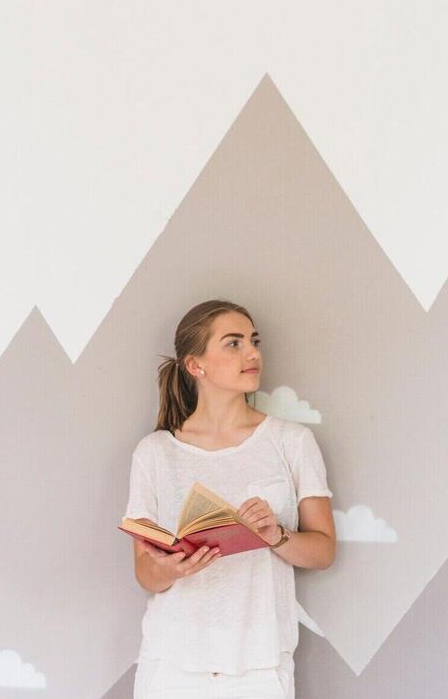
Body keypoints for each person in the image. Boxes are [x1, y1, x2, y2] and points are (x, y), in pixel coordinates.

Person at [123, 299, 337, 699]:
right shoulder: (154, 453)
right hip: (171, 666)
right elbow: (144, 573)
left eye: (254, 341)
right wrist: (173, 569)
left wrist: (276, 535)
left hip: (259, 666)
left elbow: (323, 551)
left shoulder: (291, 442)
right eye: (233, 343)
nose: (253, 352)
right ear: (195, 365)